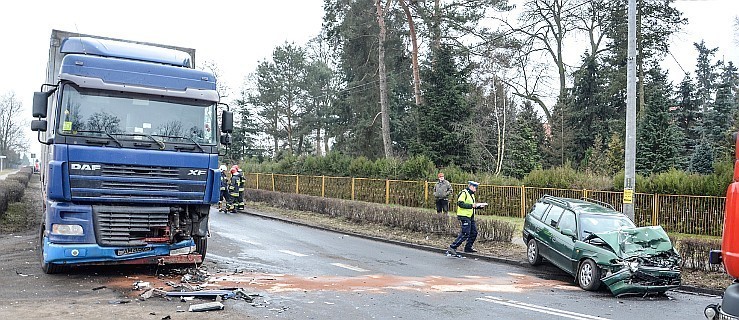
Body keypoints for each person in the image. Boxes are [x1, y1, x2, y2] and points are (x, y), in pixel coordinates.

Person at [447, 181, 485, 255]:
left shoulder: (471, 195)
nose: (476, 189)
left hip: (470, 216)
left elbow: (471, 205)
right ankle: (452, 247)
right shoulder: (464, 193)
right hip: (464, 216)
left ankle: (468, 248)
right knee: (465, 233)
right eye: (475, 187)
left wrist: (478, 207)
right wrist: (472, 205)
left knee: (474, 232)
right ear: (470, 186)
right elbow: (460, 203)